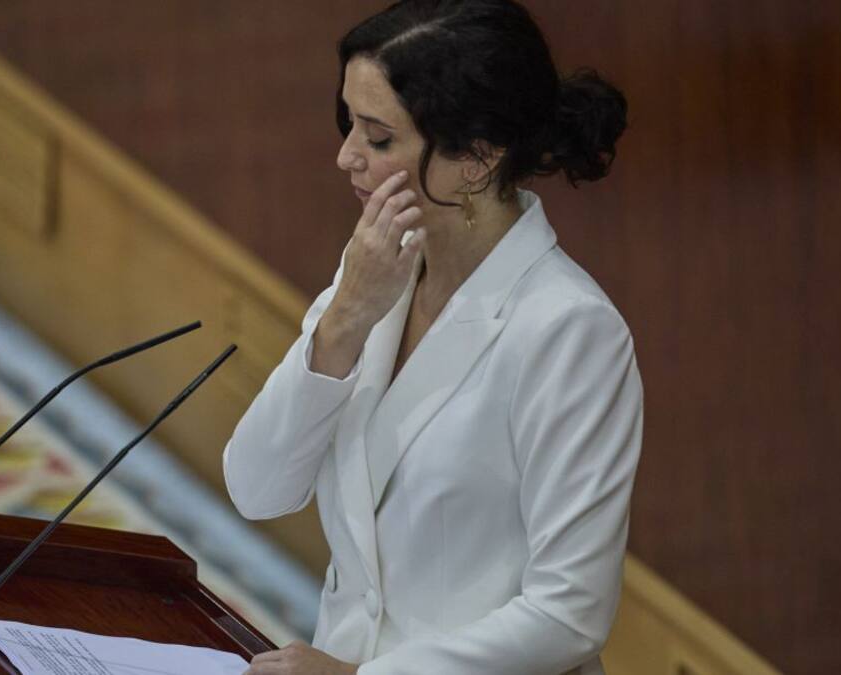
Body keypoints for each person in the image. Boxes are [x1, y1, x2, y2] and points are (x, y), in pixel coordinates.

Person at [225, 1, 642, 673]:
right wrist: (344, 321)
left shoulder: (570, 330)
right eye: (348, 125)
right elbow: (256, 488)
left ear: (476, 156)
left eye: (377, 138)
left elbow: (570, 612)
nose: (345, 157)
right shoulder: (375, 271)